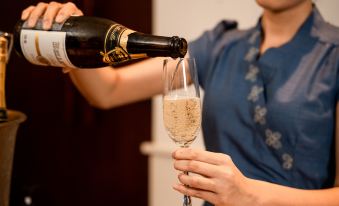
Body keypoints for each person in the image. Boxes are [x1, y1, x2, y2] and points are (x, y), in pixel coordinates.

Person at [21, 1, 339, 205]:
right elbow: (108, 91)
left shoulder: (334, 54)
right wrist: (68, 36)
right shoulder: (219, 46)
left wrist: (251, 195)